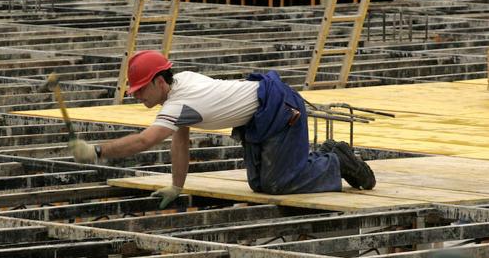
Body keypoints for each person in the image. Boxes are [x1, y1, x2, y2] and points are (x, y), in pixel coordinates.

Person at [69, 50, 376, 209]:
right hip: (258, 118)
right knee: (260, 185)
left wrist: (97, 150)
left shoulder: (177, 104)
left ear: (159, 82)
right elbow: (181, 141)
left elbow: (143, 141)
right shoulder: (182, 85)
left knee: (279, 185)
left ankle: (336, 160)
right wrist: (178, 186)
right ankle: (322, 158)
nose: (136, 96)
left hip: (280, 109)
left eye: (139, 90)